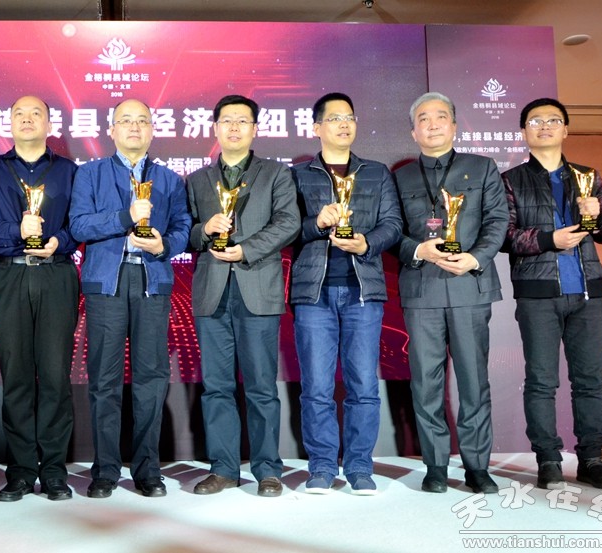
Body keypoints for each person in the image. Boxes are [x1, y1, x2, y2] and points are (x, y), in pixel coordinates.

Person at [69, 99, 191, 498]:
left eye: (142, 121)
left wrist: (163, 245)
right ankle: (105, 470)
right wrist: (126, 217)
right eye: (126, 121)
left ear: (153, 129)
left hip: (151, 281)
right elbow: (79, 225)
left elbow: (183, 228)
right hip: (107, 282)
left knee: (151, 378)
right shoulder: (90, 174)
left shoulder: (170, 180)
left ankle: (147, 470)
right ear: (112, 129)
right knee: (104, 378)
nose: (135, 127)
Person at [501, 98, 602, 490]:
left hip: (588, 293)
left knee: (590, 382)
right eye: (536, 121)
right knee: (541, 381)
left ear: (566, 129)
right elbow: (504, 236)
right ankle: (549, 460)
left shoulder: (588, 176)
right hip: (538, 294)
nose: (545, 126)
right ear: (524, 131)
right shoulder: (511, 180)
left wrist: (596, 215)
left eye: (554, 120)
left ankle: (592, 460)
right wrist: (548, 240)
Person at [393, 92, 508, 494]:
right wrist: (417, 250)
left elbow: (498, 220)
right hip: (421, 290)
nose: (432, 124)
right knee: (426, 383)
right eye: (423, 119)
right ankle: (436, 466)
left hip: (468, 286)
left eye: (440, 116)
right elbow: (392, 231)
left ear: (454, 126)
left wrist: (476, 258)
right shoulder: (401, 177)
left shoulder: (482, 167)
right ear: (413, 131)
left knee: (474, 381)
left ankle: (477, 467)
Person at [186, 95, 299, 497]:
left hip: (258, 288)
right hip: (212, 292)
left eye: (242, 121)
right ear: (214, 128)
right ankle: (223, 469)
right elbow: (185, 231)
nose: (234, 127)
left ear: (255, 129)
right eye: (227, 121)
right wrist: (204, 230)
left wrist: (245, 249)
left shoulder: (275, 174)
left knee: (261, 386)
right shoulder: (198, 179)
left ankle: (268, 469)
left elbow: (288, 222)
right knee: (216, 386)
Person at [0, 95, 79, 502]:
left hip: (56, 274)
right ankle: (19, 471)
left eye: (36, 113)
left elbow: (79, 222)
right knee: (15, 377)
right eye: (19, 113)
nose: (27, 119)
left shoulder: (68, 170)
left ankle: (53, 471)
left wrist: (58, 241)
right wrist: (17, 231)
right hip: (10, 275)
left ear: (49, 124)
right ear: (9, 122)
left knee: (54, 376)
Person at [290, 92, 402, 495]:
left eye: (349, 117)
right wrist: (316, 223)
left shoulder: (376, 173)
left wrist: (367, 243)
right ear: (316, 127)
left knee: (363, 386)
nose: (344, 124)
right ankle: (321, 467)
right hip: (313, 292)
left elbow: (393, 223)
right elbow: (285, 229)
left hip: (363, 291)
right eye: (335, 118)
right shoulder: (297, 175)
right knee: (317, 387)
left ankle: (359, 467)